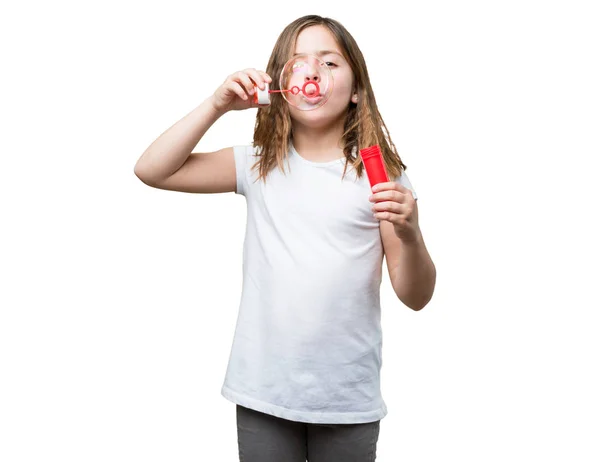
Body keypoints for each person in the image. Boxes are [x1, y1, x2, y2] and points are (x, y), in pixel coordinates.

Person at [134, 13, 436, 462]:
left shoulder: (382, 178)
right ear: (279, 86)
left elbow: (416, 296)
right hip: (263, 390)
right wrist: (216, 104)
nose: (313, 72)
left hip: (346, 398)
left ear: (356, 90)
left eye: (330, 63)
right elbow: (152, 169)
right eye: (298, 62)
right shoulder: (258, 165)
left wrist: (410, 235)